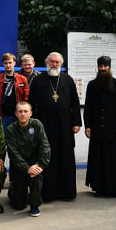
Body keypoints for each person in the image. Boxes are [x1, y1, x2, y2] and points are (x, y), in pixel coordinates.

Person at [27, 51, 81, 201]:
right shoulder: (38, 81)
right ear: (46, 63)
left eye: (57, 62)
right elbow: (31, 102)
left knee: (66, 156)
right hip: (44, 125)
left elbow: (75, 103)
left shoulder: (67, 80)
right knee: (46, 156)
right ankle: (47, 193)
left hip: (65, 125)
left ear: (61, 64)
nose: (54, 64)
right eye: (52, 62)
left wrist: (77, 122)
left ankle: (67, 192)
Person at [84, 56, 116, 197]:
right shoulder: (92, 85)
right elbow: (88, 107)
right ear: (98, 67)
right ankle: (99, 188)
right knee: (98, 159)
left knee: (115, 159)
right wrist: (88, 126)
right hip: (97, 129)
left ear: (109, 67)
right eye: (101, 66)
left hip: (114, 129)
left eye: (105, 66)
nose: (103, 69)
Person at [5, 101, 50, 217]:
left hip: (35, 166)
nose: (23, 114)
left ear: (31, 113)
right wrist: (27, 168)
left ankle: (34, 205)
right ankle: (13, 190)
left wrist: (40, 165)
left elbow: (45, 146)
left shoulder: (37, 125)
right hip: (19, 168)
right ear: (16, 113)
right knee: (19, 205)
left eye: (25, 111)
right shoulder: (10, 129)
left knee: (36, 177)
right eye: (20, 111)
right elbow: (13, 154)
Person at [0, 53, 29, 130]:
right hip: (2, 115)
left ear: (14, 63)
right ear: (3, 64)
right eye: (6, 63)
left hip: (19, 114)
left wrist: (24, 113)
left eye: (10, 63)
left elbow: (26, 97)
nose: (8, 65)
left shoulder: (22, 79)